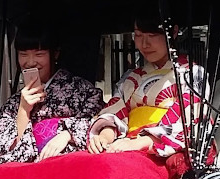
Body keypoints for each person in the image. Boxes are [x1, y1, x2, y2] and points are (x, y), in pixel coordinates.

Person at [87, 16, 206, 157]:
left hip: (160, 152)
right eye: (138, 35)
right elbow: (115, 111)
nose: (144, 44)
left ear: (173, 32)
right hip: (124, 145)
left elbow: (190, 121)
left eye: (152, 35)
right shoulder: (131, 77)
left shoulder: (191, 74)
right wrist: (105, 135)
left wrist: (144, 141)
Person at [0, 22, 104, 166]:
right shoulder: (13, 103)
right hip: (29, 171)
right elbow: (2, 149)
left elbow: (99, 123)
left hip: (70, 166)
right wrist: (23, 110)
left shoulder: (84, 91)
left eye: (39, 54)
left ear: (55, 54)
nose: (30, 62)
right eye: (23, 54)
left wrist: (67, 134)